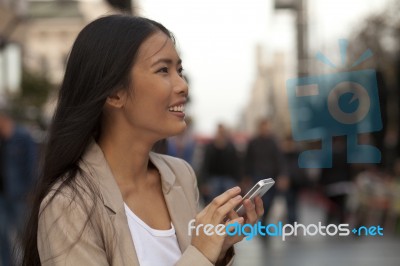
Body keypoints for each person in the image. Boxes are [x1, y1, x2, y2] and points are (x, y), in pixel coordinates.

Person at [20, 15, 263, 266]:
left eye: (179, 70)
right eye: (162, 70)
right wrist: (200, 254)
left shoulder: (180, 176)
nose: (183, 86)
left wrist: (217, 251)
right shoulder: (68, 204)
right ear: (114, 93)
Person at [0, 111, 37, 265]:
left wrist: (31, 192)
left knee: (25, 235)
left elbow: (33, 167)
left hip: (20, 195)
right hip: (2, 195)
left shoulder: (23, 137)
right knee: (2, 235)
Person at [244, 119, 288, 225]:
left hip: (271, 176)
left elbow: (279, 160)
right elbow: (247, 160)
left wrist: (283, 175)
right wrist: (246, 176)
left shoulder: (273, 142)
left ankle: (264, 220)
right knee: (262, 200)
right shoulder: (253, 142)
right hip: (257, 176)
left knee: (270, 201)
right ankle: (262, 222)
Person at [201, 124, 241, 204]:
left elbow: (236, 164)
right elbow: (205, 165)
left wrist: (238, 179)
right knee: (214, 200)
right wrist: (204, 182)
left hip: (228, 178)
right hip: (213, 178)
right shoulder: (210, 147)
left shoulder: (230, 146)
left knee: (229, 201)